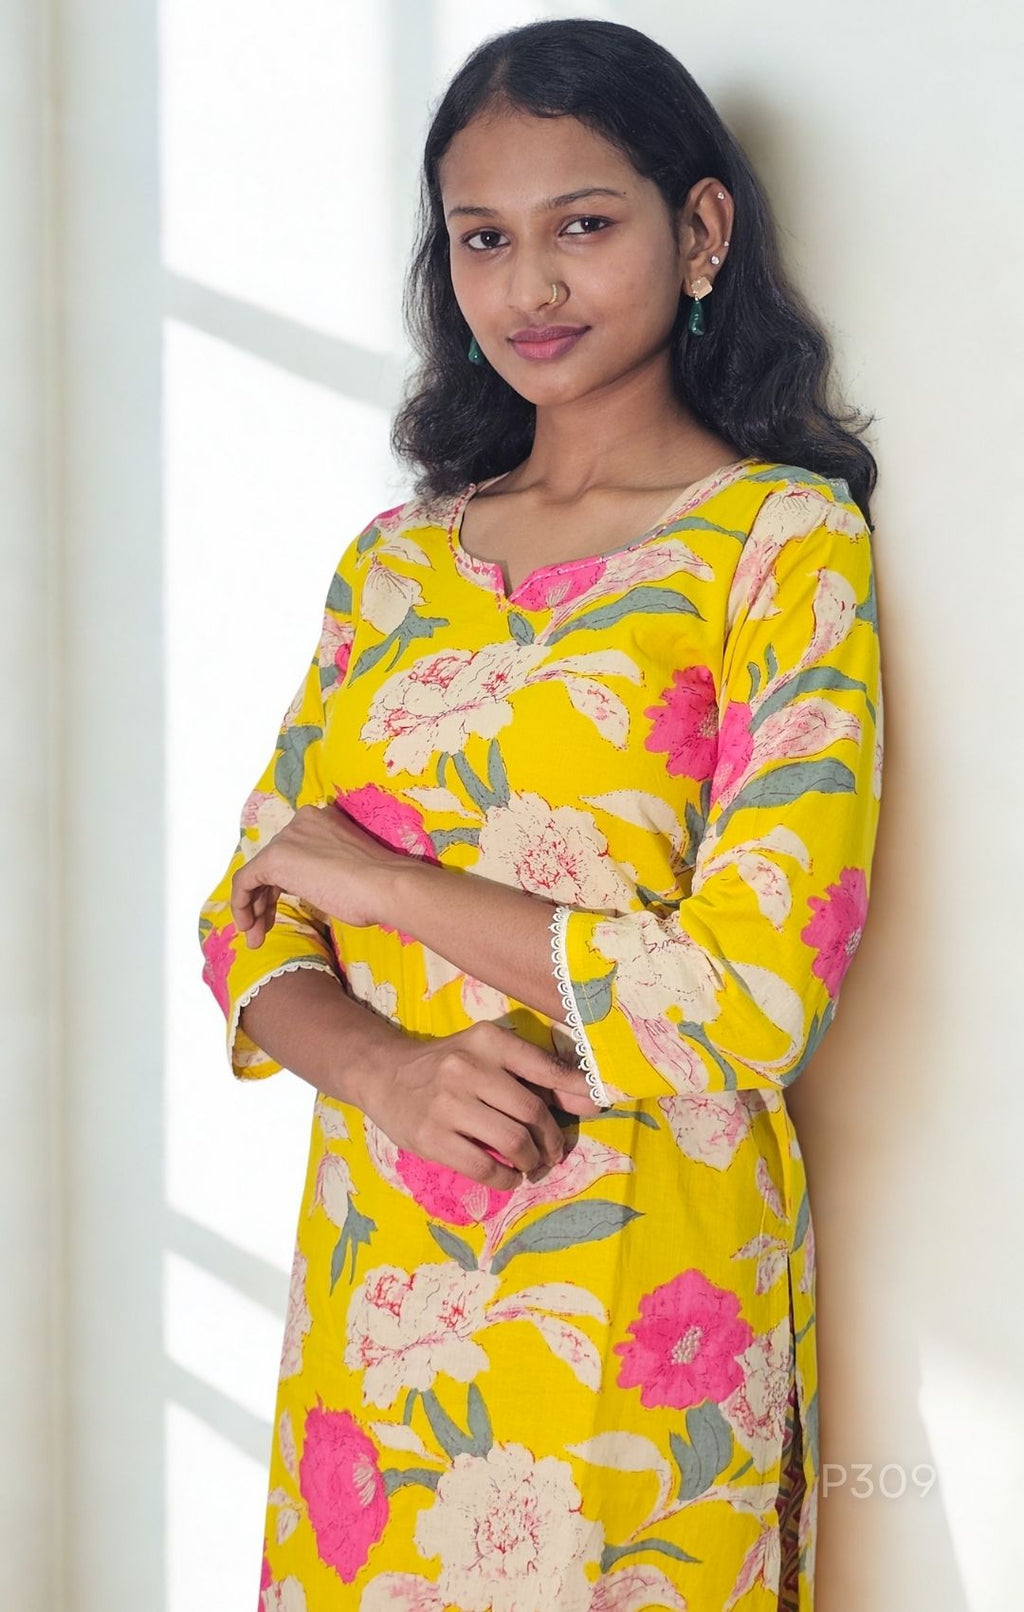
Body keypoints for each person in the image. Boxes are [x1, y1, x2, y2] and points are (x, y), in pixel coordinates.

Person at [198, 17, 884, 1611]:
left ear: (700, 229)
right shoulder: (396, 563)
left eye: (585, 224)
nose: (531, 288)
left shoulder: (779, 548)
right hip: (381, 1308)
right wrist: (384, 1065)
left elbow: (749, 999)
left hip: (646, 1298)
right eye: (483, 241)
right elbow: (248, 915)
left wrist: (380, 885)